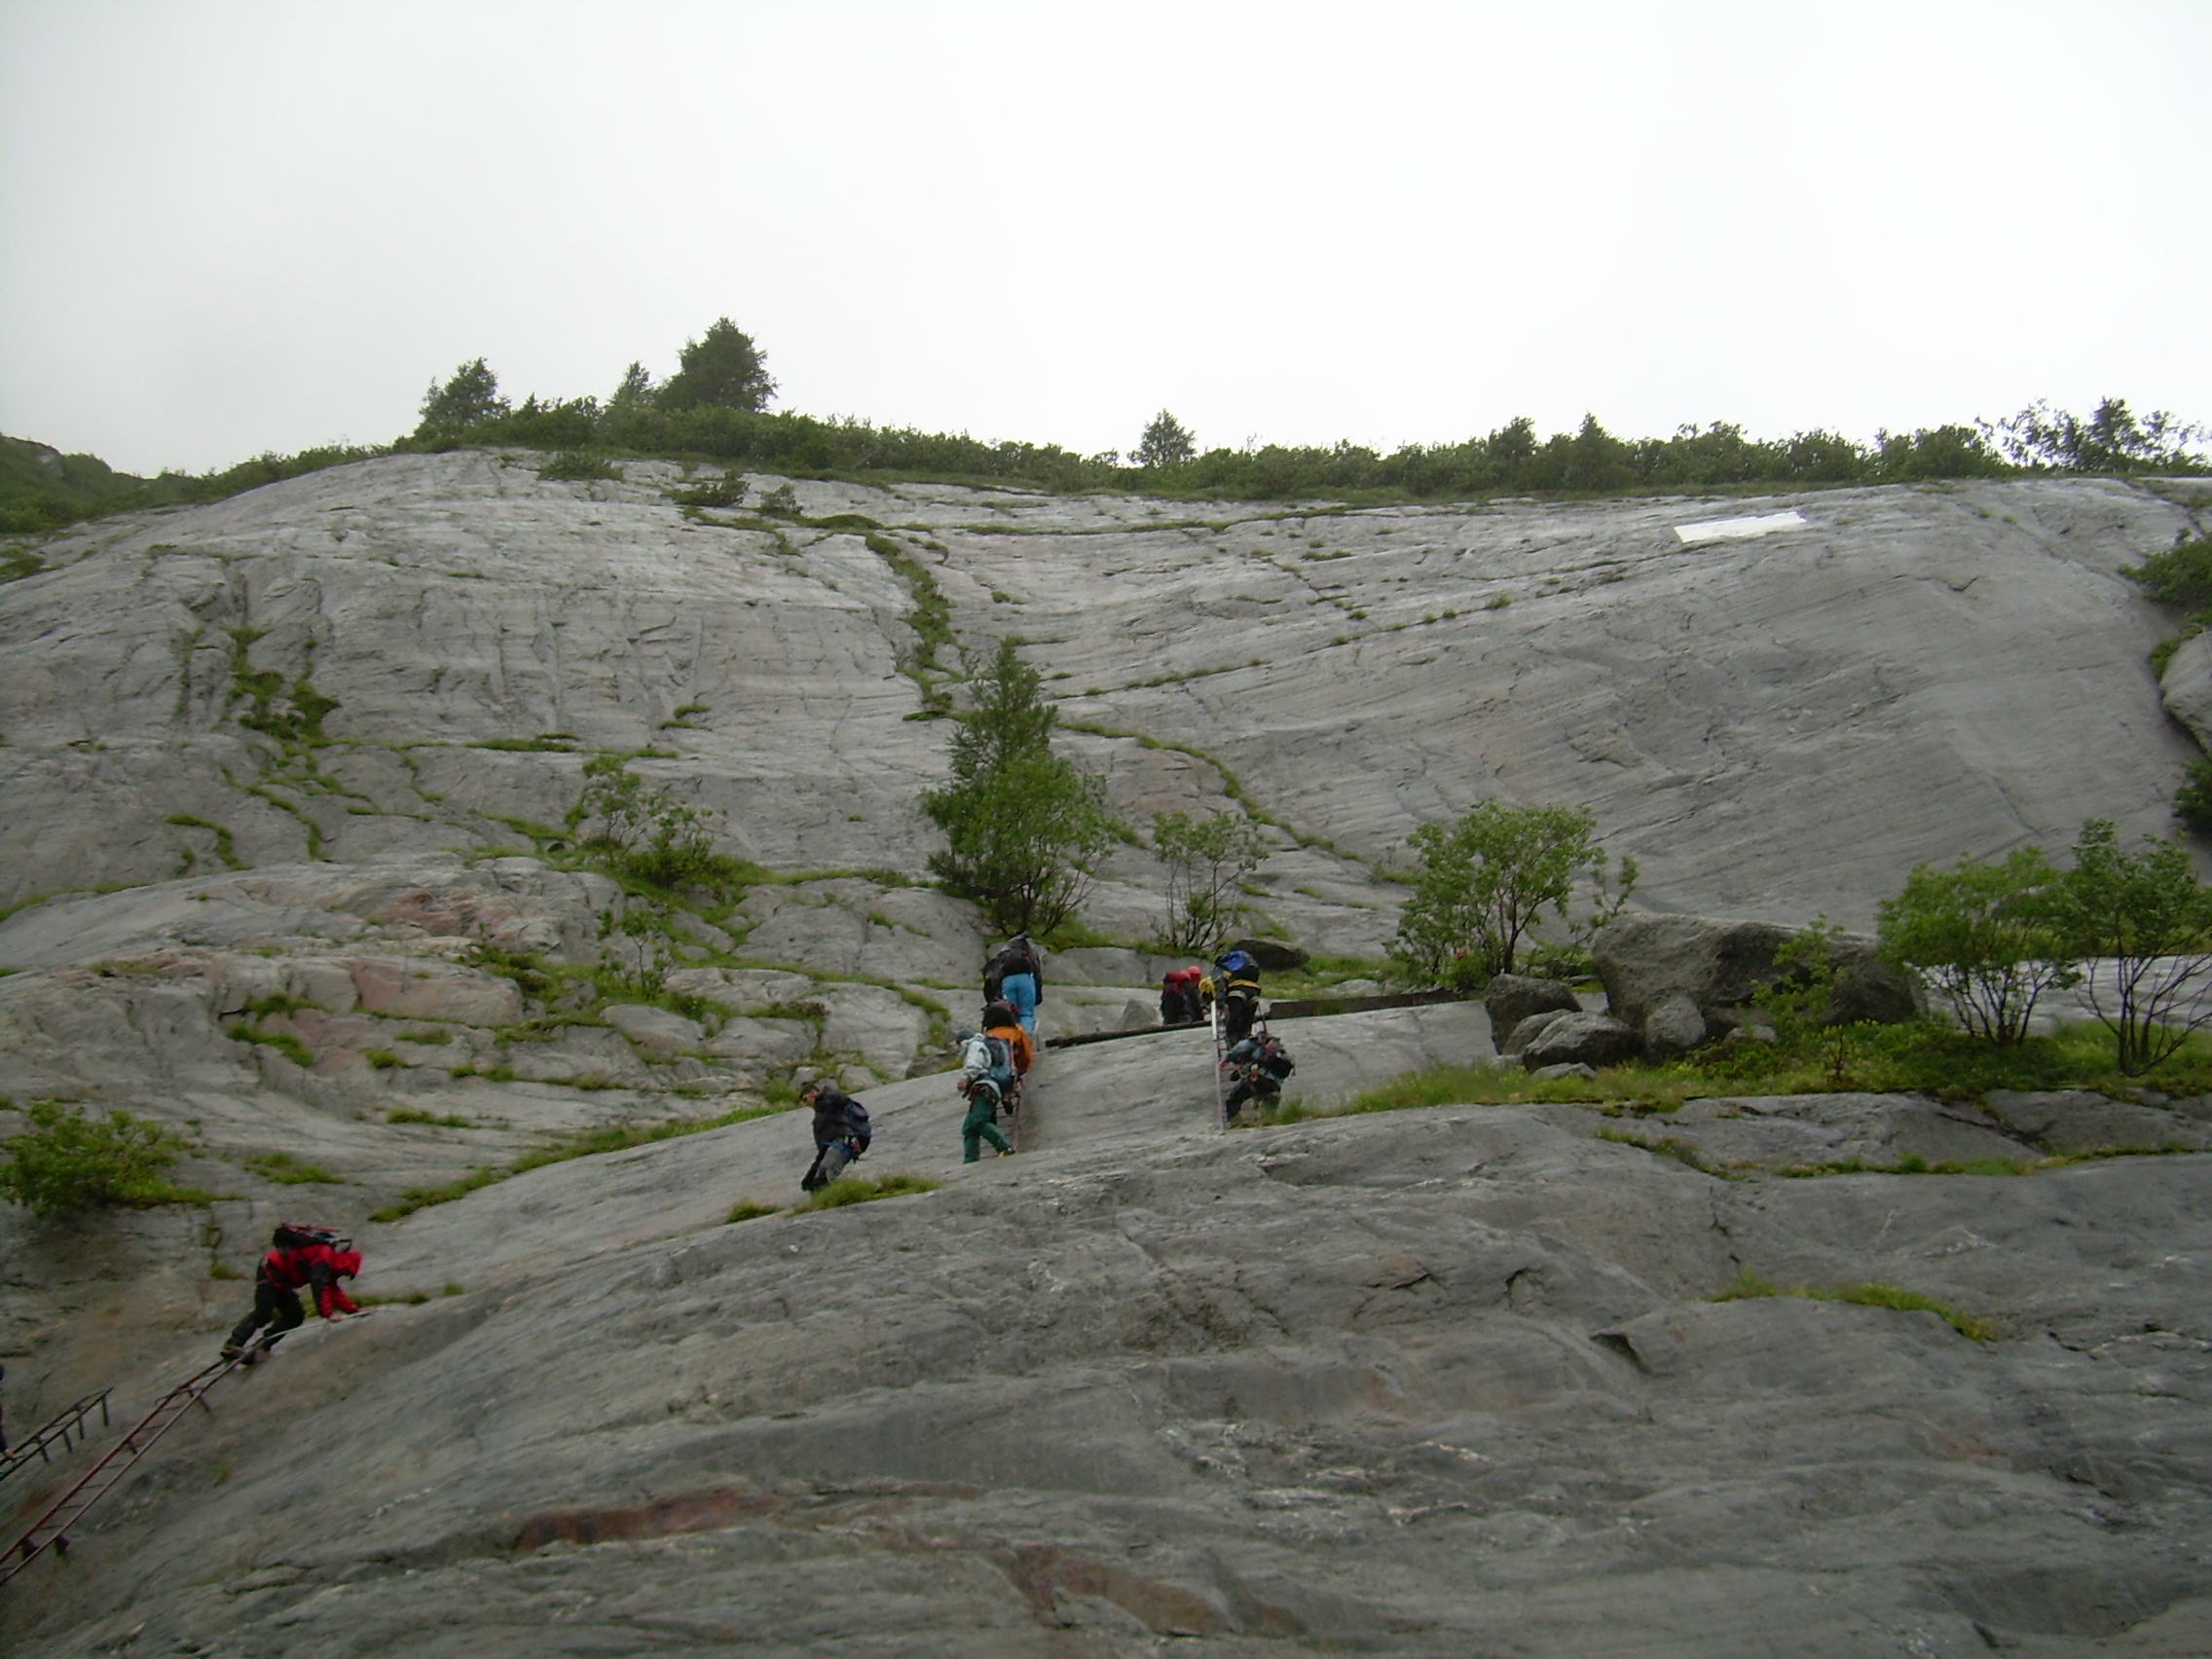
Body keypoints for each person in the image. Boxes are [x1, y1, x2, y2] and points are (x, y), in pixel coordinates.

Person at [222, 1224, 360, 1361]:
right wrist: (328, 1314)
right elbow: (319, 1285)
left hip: (283, 1280)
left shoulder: (328, 1266)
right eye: (347, 1272)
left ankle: (263, 1345)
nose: (344, 1274)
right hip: (270, 1269)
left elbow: (333, 1291)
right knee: (264, 1313)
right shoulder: (325, 1255)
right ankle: (233, 1344)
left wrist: (354, 1311)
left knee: (295, 1316)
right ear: (345, 1263)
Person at [798, 1078, 872, 1192]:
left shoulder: (831, 1100)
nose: (806, 1104)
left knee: (825, 1179)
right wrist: (811, 1173)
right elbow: (823, 1148)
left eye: (805, 1099)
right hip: (830, 1147)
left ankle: (845, 1194)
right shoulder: (821, 1114)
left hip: (843, 1143)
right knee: (811, 1184)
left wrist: (822, 1096)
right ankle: (828, 1199)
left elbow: (842, 1099)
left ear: (813, 1093)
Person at [954, 1029, 1015, 1162]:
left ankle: (1005, 1148)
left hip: (984, 1087)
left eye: (957, 1044)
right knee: (969, 1127)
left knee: (978, 1121)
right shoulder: (982, 1044)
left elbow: (974, 1064)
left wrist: (966, 1078)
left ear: (961, 1042)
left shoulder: (974, 1045)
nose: (958, 1048)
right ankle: (970, 1160)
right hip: (987, 1087)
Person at [1220, 1029, 1296, 1124]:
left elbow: (1239, 1048)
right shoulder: (1278, 1050)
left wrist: (1227, 1058)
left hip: (1261, 1080)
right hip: (1270, 1084)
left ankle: (1235, 1120)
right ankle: (1267, 1118)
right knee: (1269, 1098)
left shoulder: (1254, 1044)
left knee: (1236, 1097)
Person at [983, 935, 1045, 1037]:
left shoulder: (1005, 953)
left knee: (1010, 1013)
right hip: (1026, 980)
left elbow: (994, 976)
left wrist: (994, 998)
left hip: (1008, 982)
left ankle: (1012, 1041)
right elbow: (1037, 975)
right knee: (1026, 1013)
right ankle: (1025, 1038)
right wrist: (1038, 996)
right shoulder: (1031, 954)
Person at [1215, 947, 1263, 1045]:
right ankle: (1246, 1042)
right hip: (1253, 991)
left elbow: (1219, 985)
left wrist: (1220, 1002)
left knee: (1234, 1019)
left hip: (1236, 992)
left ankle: (1233, 1044)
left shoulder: (1223, 967)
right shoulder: (1251, 963)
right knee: (1247, 1021)